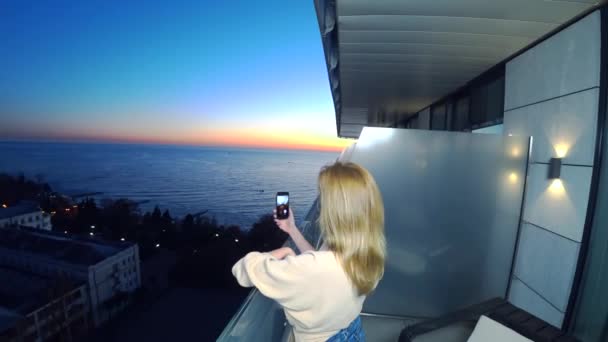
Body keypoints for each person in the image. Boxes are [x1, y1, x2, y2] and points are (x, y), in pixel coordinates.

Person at [232, 162, 386, 341]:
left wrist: (283, 251)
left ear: (335, 210)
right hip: (352, 331)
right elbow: (321, 261)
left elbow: (242, 270)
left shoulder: (313, 268)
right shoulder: (367, 252)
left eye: (323, 198)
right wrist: (292, 229)